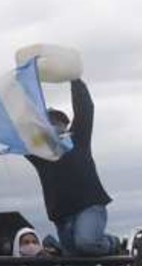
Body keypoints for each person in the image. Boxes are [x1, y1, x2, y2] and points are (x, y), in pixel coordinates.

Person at [26, 79, 119, 256]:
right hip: (61, 214)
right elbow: (21, 135)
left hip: (89, 206)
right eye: (50, 122)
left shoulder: (78, 139)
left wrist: (75, 81)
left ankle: (111, 242)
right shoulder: (39, 154)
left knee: (87, 243)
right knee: (78, 261)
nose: (55, 126)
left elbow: (85, 109)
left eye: (60, 122)